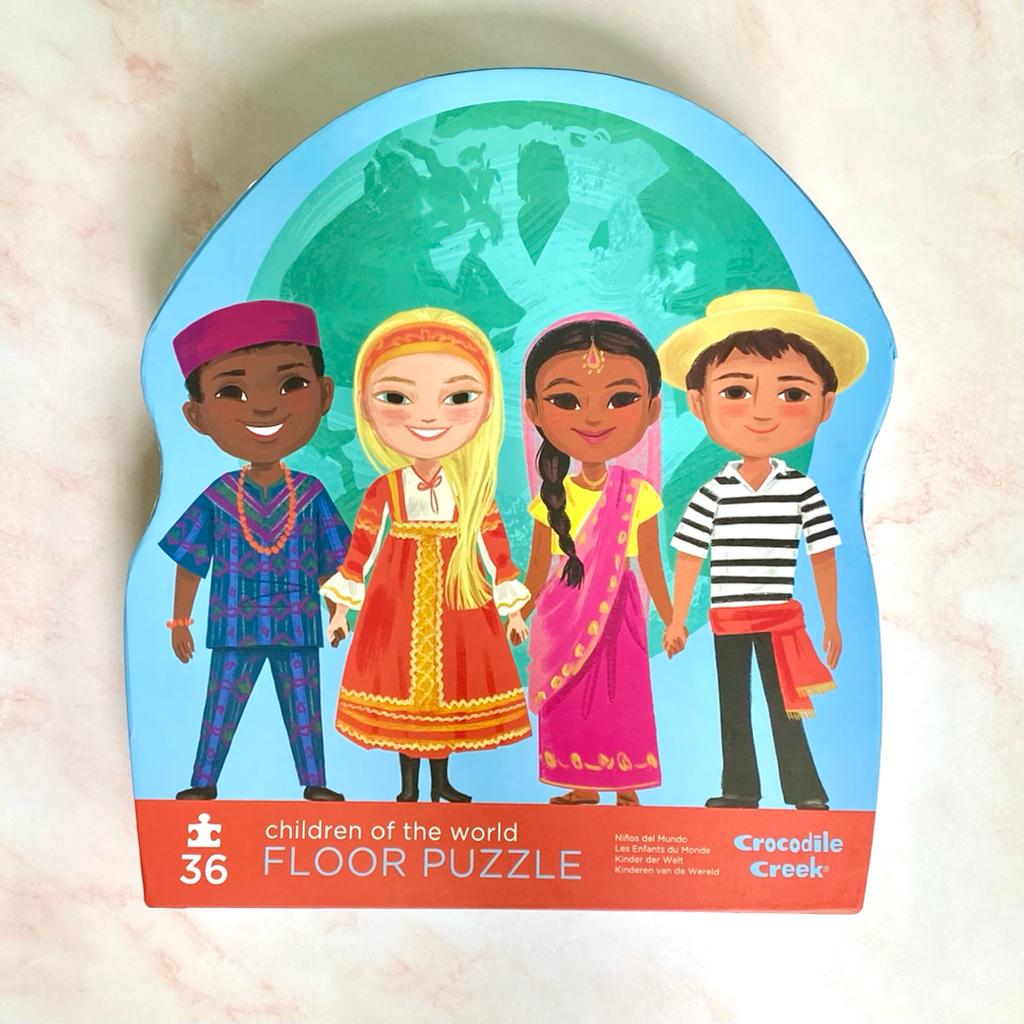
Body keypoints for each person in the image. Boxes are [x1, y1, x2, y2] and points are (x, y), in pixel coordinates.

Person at [659, 288, 868, 811]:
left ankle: (806, 792)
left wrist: (832, 621)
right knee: (733, 706)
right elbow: (690, 555)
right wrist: (678, 618)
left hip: (779, 619)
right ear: (699, 402)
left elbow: (822, 553)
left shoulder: (801, 490)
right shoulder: (712, 492)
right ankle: (740, 790)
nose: (762, 413)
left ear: (825, 404)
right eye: (736, 391)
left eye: (792, 394)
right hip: (728, 619)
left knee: (787, 707)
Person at [320, 308, 531, 803]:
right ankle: (408, 789)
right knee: (402, 695)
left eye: (457, 398)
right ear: (368, 407)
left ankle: (442, 783)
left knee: (450, 692)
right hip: (396, 600)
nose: (429, 418)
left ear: (486, 407)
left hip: (459, 596)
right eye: (397, 398)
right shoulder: (386, 488)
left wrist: (514, 611)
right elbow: (361, 549)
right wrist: (340, 611)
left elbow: (495, 549)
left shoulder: (470, 488)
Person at [159, 299, 350, 801]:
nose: (264, 408)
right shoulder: (220, 495)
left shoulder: (310, 493)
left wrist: (338, 611)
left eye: (291, 385)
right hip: (234, 624)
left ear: (323, 395)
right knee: (220, 706)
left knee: (305, 707)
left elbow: (331, 564)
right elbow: (190, 561)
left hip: (297, 623)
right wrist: (179, 621)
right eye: (232, 392)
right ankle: (203, 782)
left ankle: (315, 783)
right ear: (197, 415)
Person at [516, 312, 674, 806]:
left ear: (651, 409)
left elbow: (651, 562)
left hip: (619, 610)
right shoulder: (550, 498)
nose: (592, 417)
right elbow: (536, 570)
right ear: (534, 410)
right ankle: (581, 785)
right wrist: (517, 613)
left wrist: (670, 618)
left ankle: (627, 785)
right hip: (560, 611)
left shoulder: (636, 492)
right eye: (566, 401)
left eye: (620, 399)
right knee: (569, 697)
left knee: (621, 694)